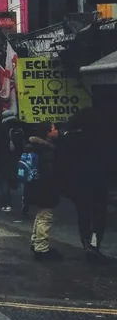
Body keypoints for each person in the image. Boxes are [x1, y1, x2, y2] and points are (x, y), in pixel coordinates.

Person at [57, 107, 109, 262]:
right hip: (98, 181)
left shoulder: (69, 139)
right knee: (99, 214)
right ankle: (95, 244)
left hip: (78, 183)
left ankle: (86, 243)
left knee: (83, 214)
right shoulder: (100, 138)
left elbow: (63, 162)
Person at [25, 124, 63, 260]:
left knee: (40, 215)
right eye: (53, 129)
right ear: (47, 133)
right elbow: (49, 172)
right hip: (45, 187)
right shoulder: (46, 150)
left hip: (33, 186)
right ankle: (41, 248)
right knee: (45, 216)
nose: (56, 131)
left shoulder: (32, 146)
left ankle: (35, 242)